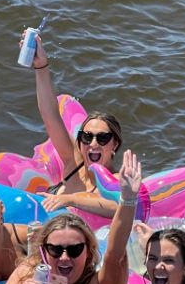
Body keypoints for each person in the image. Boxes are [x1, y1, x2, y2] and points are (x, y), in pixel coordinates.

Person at [0, 155, 141, 284]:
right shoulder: (29, 273)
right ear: (44, 251)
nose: (64, 257)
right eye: (55, 249)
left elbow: (115, 252)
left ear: (88, 252)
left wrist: (128, 199)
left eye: (74, 250)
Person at [25, 34, 130, 218]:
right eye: (87, 137)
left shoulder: (118, 181)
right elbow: (51, 116)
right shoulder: (73, 160)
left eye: (102, 138)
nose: (93, 143)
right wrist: (40, 65)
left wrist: (70, 200)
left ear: (115, 144)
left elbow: (121, 208)